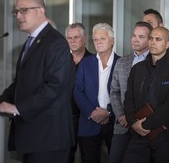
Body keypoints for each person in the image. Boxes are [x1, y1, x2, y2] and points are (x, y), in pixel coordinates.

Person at [0, 0, 75, 163]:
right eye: (17, 12)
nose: (19, 16)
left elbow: (54, 86)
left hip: (49, 138)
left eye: (24, 10)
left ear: (41, 11)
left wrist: (17, 108)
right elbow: (20, 83)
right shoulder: (31, 42)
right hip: (32, 136)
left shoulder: (55, 42)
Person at [123, 27, 169, 163]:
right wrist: (133, 123)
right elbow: (129, 99)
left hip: (165, 135)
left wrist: (145, 124)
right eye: (151, 38)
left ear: (167, 44)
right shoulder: (137, 69)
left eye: (158, 39)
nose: (153, 42)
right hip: (138, 132)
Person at [73, 23, 120, 163]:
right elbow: (78, 91)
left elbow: (126, 94)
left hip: (115, 123)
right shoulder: (85, 63)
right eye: (95, 39)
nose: (98, 42)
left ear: (112, 40)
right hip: (89, 121)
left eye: (102, 38)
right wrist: (94, 112)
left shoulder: (122, 63)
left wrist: (108, 112)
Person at [108, 21, 153, 163]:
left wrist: (133, 118)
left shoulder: (155, 63)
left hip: (143, 126)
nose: (135, 39)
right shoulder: (122, 62)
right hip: (122, 125)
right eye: (134, 35)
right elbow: (114, 91)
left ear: (149, 39)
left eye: (141, 36)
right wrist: (121, 114)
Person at [65, 22, 93, 163]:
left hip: (87, 118)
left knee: (88, 157)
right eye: (69, 38)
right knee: (65, 157)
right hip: (65, 118)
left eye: (76, 37)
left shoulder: (94, 61)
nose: (72, 41)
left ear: (85, 39)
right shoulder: (61, 62)